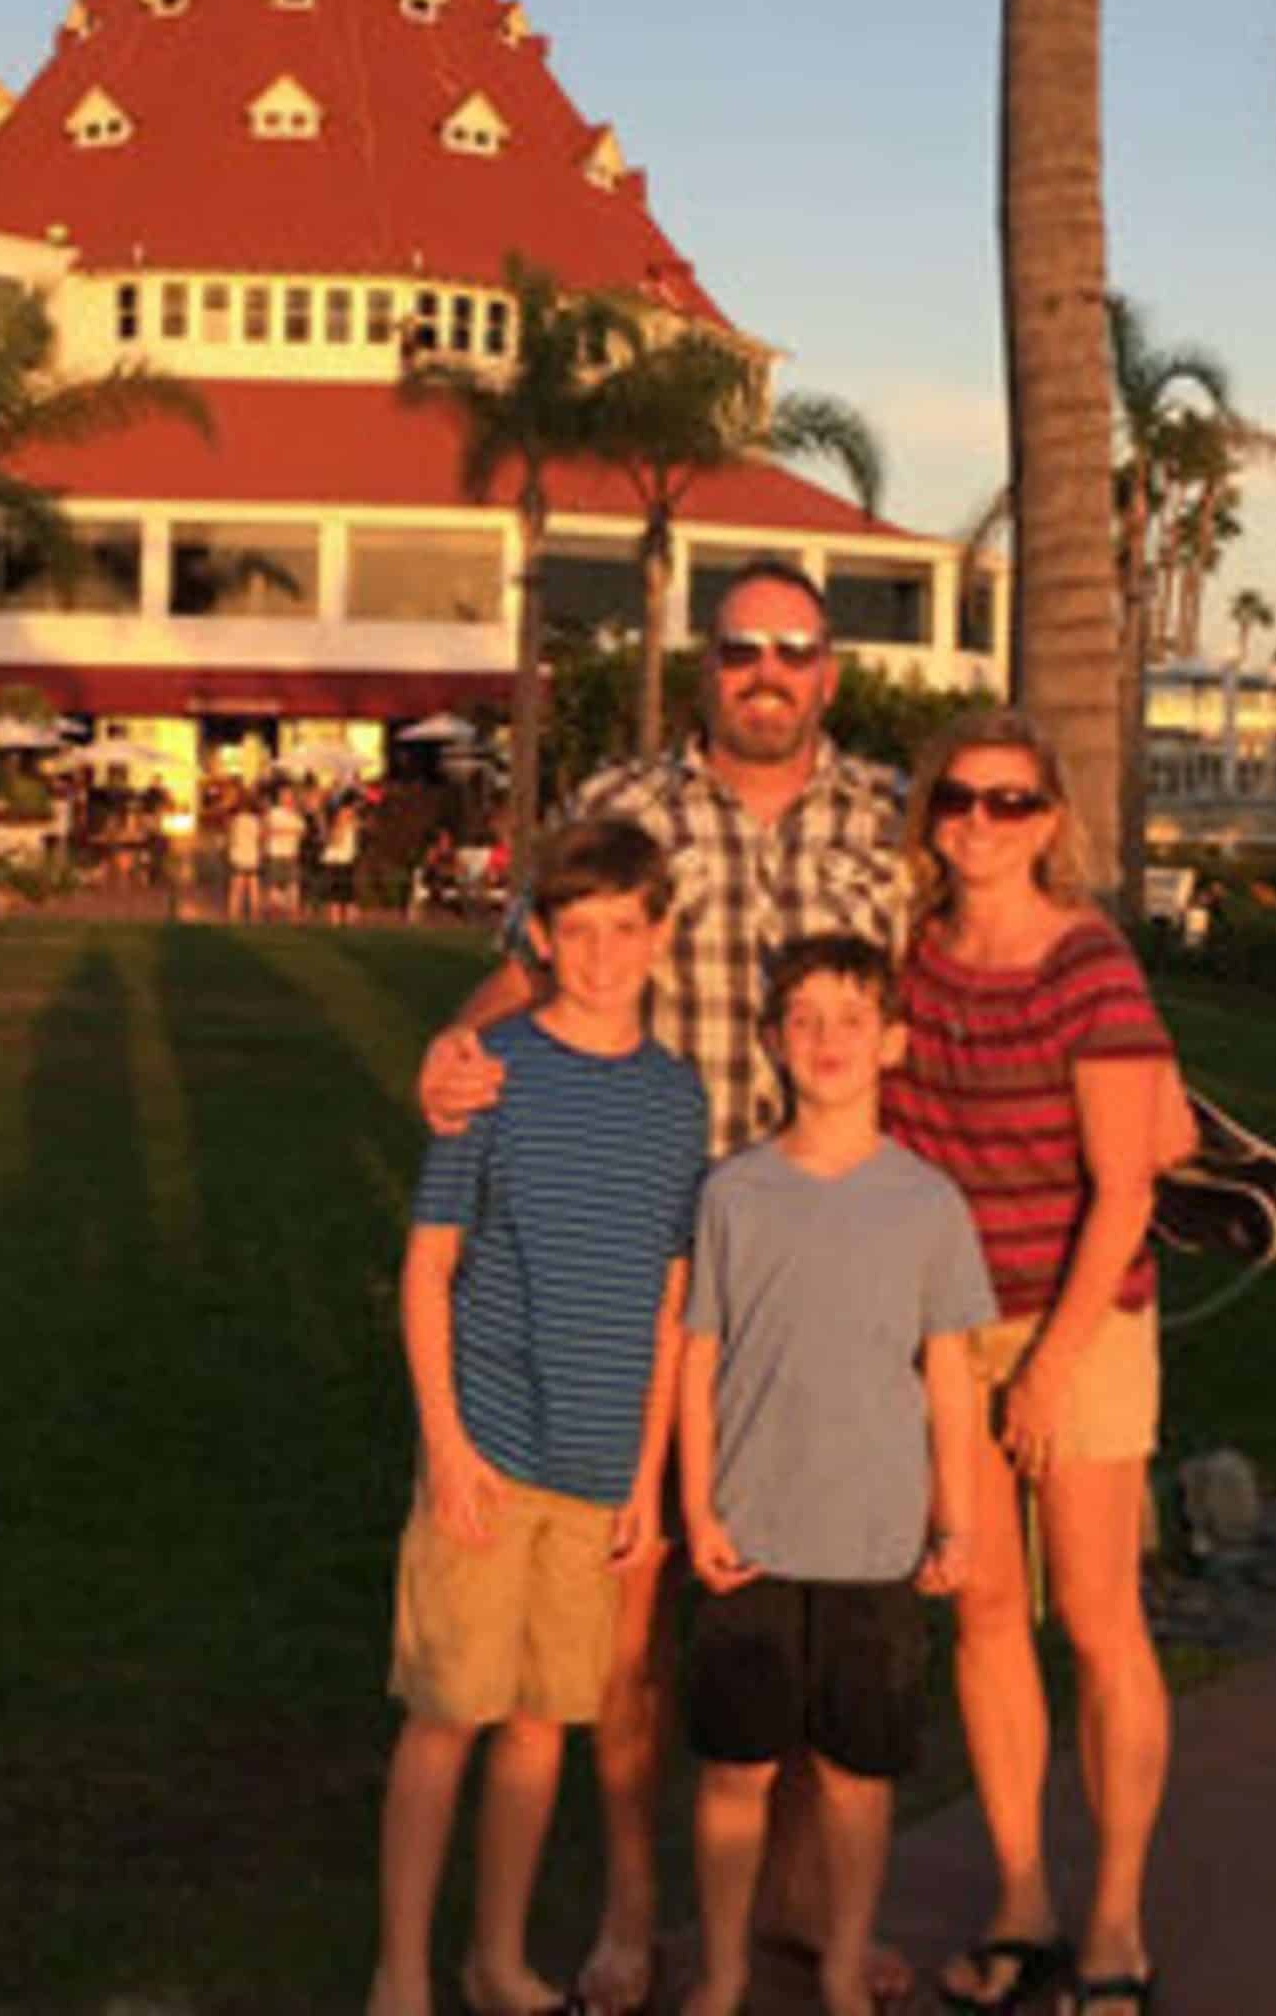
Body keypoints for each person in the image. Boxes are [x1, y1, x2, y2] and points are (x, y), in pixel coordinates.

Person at [416, 557, 905, 2012]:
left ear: (829, 670)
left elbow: (944, 994)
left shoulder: (885, 820)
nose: (769, 669)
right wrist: (454, 1046)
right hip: (648, 1254)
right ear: (708, 662)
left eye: (797, 648)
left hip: (819, 1268)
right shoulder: (624, 811)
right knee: (631, 1615)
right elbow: (529, 964)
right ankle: (633, 1915)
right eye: (743, 644)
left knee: (811, 1599)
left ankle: (810, 1906)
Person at [370, 819, 709, 2016]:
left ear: (660, 938)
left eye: (627, 929)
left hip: (599, 1466)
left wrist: (648, 1479)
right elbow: (427, 1271)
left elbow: (672, 1298)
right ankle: (401, 1973)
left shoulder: (679, 1102)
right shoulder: (494, 1071)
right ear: (543, 939)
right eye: (579, 932)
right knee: (444, 1717)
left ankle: (496, 1958)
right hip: (490, 1451)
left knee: (535, 1727)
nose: (604, 953)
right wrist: (447, 1447)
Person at [878, 710, 1187, 2016]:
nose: (981, 824)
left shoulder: (1089, 965)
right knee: (988, 1617)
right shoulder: (912, 962)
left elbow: (1127, 1186)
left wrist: (1051, 1371)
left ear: (1051, 822)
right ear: (930, 814)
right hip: (951, 1333)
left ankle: (1114, 1917)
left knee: (1101, 1624)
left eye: (1011, 803)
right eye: (960, 798)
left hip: (1084, 1323)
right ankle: (1021, 1893)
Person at [677, 934, 993, 2016]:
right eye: (802, 1018)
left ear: (892, 1043)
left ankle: (846, 1963)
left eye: (850, 1019)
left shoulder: (927, 1205)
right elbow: (697, 1356)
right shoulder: (734, 1193)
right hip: (751, 1532)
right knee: (736, 1771)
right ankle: (722, 1968)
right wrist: (694, 1503)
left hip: (874, 1541)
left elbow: (951, 1379)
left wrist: (957, 1525)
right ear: (771, 1039)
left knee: (860, 1776)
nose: (825, 1041)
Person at [263, 780, 307, 921]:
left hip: (291, 853)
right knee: (275, 884)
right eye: (284, 795)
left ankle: (293, 912)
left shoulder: (296, 814)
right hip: (276, 853)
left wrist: (287, 830)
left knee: (293, 883)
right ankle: (275, 912)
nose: (287, 798)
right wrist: (288, 831)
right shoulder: (274, 812)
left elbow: (302, 832)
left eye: (289, 795)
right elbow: (268, 830)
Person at [322, 790, 364, 927]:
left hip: (347, 859)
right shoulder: (339, 821)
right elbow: (335, 840)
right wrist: (342, 825)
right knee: (336, 892)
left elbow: (358, 829)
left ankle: (348, 920)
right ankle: (336, 920)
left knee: (348, 891)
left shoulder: (352, 821)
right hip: (336, 860)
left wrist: (352, 824)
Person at [226, 786, 264, 923]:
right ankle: (255, 918)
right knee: (253, 887)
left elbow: (230, 837)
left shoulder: (235, 820)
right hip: (252, 855)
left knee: (236, 888)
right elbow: (261, 838)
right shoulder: (256, 821)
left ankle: (233, 917)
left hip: (238, 854)